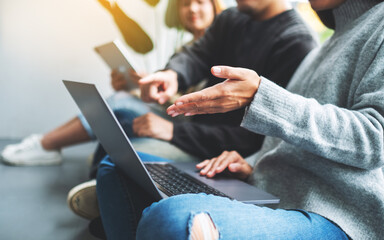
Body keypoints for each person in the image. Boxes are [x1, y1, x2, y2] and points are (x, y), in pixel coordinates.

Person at [96, 0, 384, 239]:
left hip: (335, 214)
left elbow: (375, 137)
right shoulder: (325, 47)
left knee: (170, 219)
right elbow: (289, 137)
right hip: (268, 190)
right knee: (116, 166)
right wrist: (252, 163)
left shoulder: (372, 28)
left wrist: (260, 96)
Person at [0, 0, 225, 167]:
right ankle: (44, 142)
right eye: (185, 4)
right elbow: (169, 91)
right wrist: (137, 86)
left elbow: (194, 103)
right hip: (167, 109)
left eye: (200, 2)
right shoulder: (184, 50)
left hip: (183, 121)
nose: (192, 9)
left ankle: (46, 144)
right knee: (121, 97)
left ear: (216, 6)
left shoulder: (221, 50)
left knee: (120, 101)